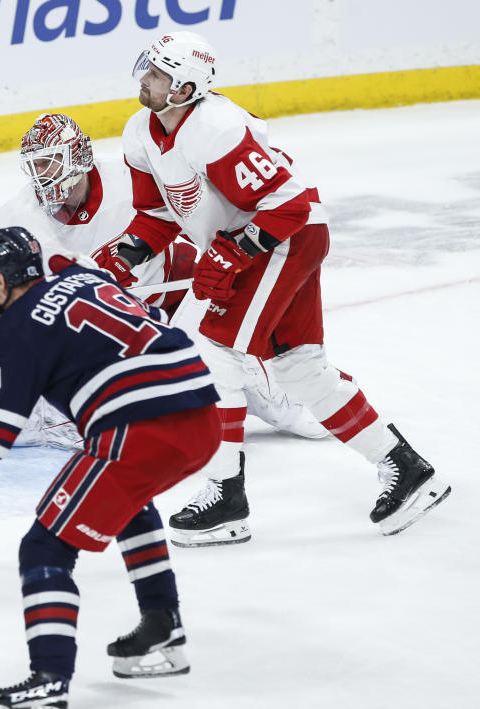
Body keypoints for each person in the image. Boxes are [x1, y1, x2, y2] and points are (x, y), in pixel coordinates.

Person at [97, 31, 450, 545]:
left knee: (212, 351)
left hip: (287, 240)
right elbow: (154, 217)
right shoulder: (140, 132)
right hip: (264, 242)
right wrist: (121, 260)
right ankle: (405, 467)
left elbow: (292, 205)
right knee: (298, 367)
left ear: (184, 87)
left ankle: (225, 496)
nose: (144, 79)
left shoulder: (216, 129)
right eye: (146, 68)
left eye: (157, 73)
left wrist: (230, 250)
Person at [0, 227, 222, 708]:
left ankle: (48, 680)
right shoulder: (89, 279)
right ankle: (162, 628)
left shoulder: (12, 331)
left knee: (43, 546)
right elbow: (152, 319)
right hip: (201, 412)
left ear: (4, 282)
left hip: (141, 428)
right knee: (130, 501)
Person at [0, 112, 326, 448]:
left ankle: (262, 382)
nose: (42, 178)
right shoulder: (20, 218)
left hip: (177, 311)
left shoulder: (134, 187)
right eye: (34, 166)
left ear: (78, 157)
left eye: (50, 162)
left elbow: (219, 226)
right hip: (108, 329)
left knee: (231, 375)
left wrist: (229, 273)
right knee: (39, 409)